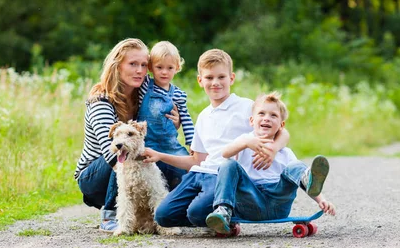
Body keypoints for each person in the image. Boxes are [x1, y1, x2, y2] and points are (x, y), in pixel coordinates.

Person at [144, 49, 290, 228]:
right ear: (200, 80)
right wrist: (160, 155)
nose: (215, 83)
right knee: (163, 216)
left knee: (196, 213)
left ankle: (224, 214)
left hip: (223, 177)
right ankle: (214, 218)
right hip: (199, 173)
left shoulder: (247, 107)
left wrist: (273, 149)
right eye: (209, 78)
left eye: (221, 77)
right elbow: (197, 160)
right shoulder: (204, 116)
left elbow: (283, 132)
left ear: (232, 78)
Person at [205, 91, 336, 235]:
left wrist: (321, 200)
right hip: (250, 202)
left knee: (295, 166)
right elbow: (225, 153)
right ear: (251, 121)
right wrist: (245, 142)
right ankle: (223, 211)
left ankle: (308, 177)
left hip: (279, 203)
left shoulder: (284, 151)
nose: (267, 118)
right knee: (228, 164)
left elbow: (297, 178)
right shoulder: (245, 142)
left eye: (273, 115)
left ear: (281, 125)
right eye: (261, 114)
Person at [74, 38, 150, 232]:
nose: (140, 70)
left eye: (144, 65)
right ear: (117, 67)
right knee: (121, 152)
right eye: (133, 64)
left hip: (128, 166)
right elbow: (111, 154)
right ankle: (109, 215)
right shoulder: (101, 101)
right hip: (94, 177)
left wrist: (173, 122)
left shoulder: (143, 96)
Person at [137, 41, 194, 191]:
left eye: (170, 68)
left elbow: (186, 119)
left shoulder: (178, 94)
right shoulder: (144, 86)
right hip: (148, 142)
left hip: (170, 145)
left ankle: (187, 196)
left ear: (177, 68)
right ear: (150, 67)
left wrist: (192, 142)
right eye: (159, 67)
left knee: (190, 166)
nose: (164, 72)